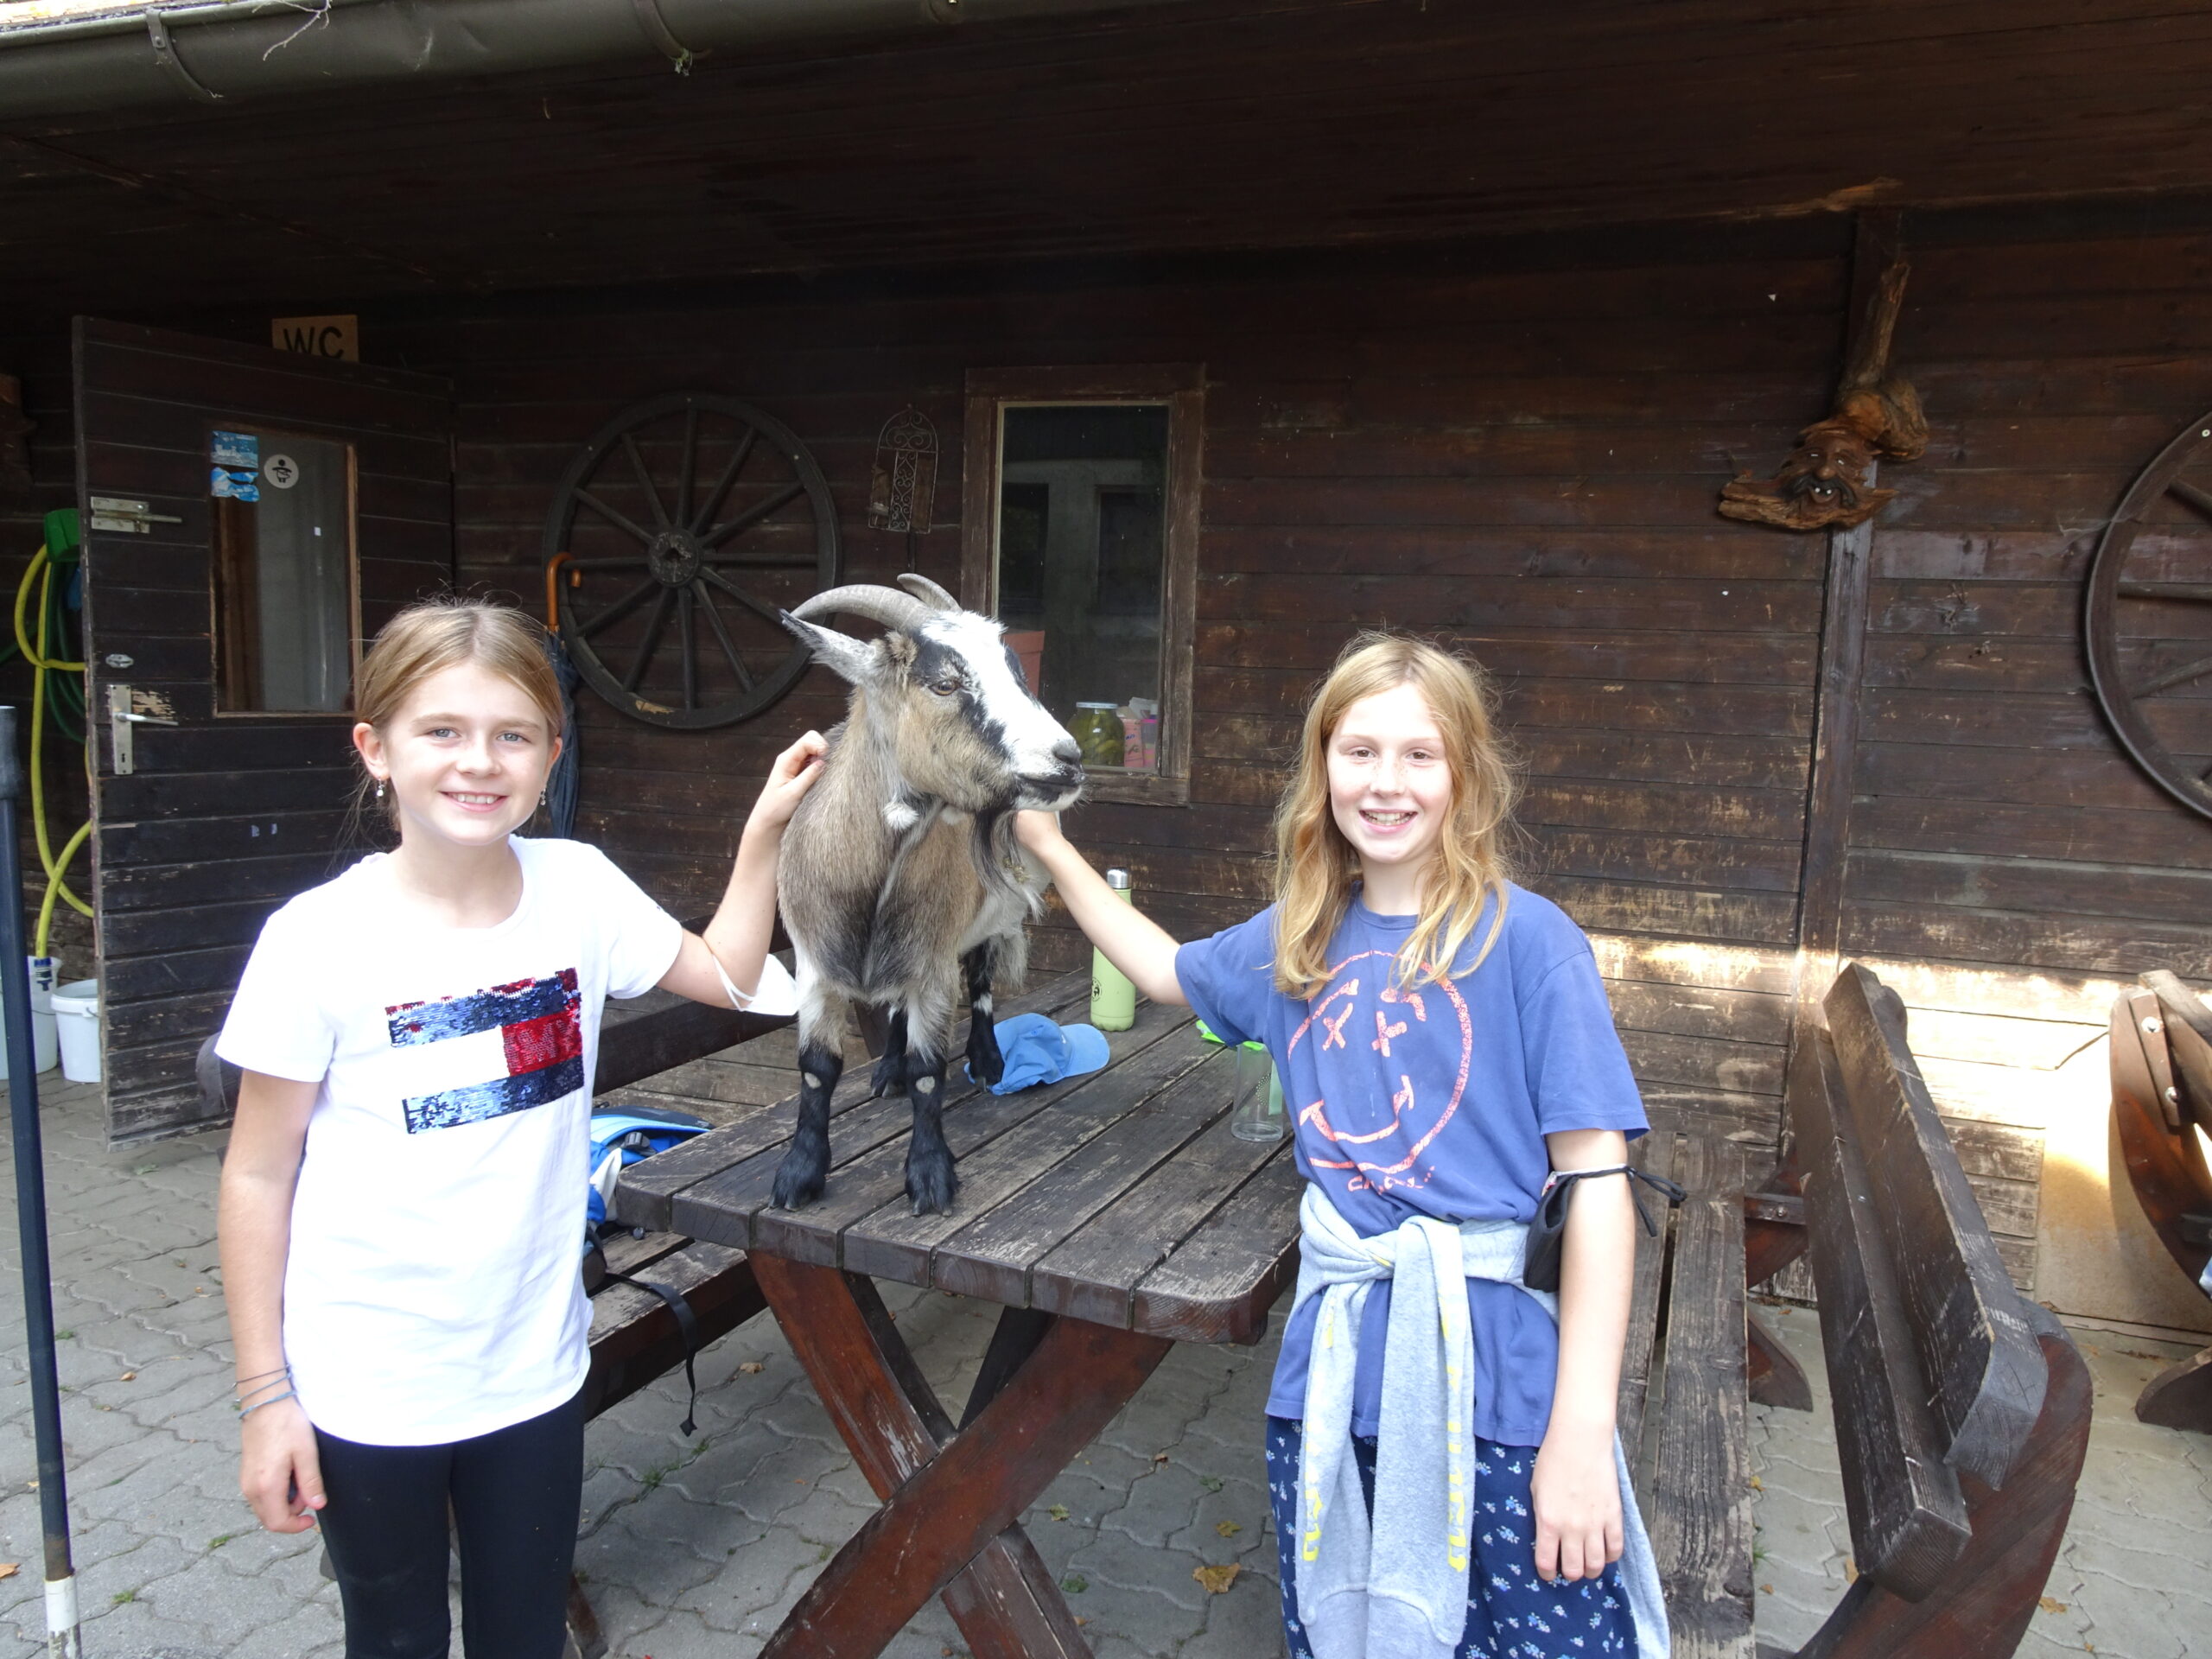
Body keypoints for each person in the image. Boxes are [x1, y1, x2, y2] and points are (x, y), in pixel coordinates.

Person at [1016, 632, 1668, 1659]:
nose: (1386, 782)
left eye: (1420, 755)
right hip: (1334, 1374)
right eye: (1359, 751)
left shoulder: (1530, 941)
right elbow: (1165, 972)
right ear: (1322, 768)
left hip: (1496, 1380)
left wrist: (1582, 1435)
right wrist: (1050, 849)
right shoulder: (1299, 937)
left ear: (1465, 775)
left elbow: (1596, 1187)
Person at [215, 597, 824, 1659]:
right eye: (441, 731)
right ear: (376, 750)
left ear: (551, 753)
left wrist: (764, 830)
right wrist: (268, 1399)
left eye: (512, 735)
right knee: (395, 1641)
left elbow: (728, 975)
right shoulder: (314, 941)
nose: (477, 762)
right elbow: (257, 1177)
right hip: (370, 1384)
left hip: (533, 1369)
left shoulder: (578, 887)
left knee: (525, 1636)